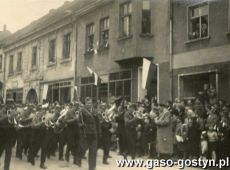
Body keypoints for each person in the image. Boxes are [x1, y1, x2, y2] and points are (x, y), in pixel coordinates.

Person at [76, 97, 101, 170]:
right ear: (85, 104)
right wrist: (81, 125)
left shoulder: (95, 111)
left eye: (90, 103)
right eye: (87, 103)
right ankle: (78, 159)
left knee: (93, 152)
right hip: (85, 134)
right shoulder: (82, 111)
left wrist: (99, 132)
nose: (89, 104)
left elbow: (98, 123)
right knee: (82, 149)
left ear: (92, 104)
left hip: (94, 134)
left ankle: (92, 167)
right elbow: (78, 122)